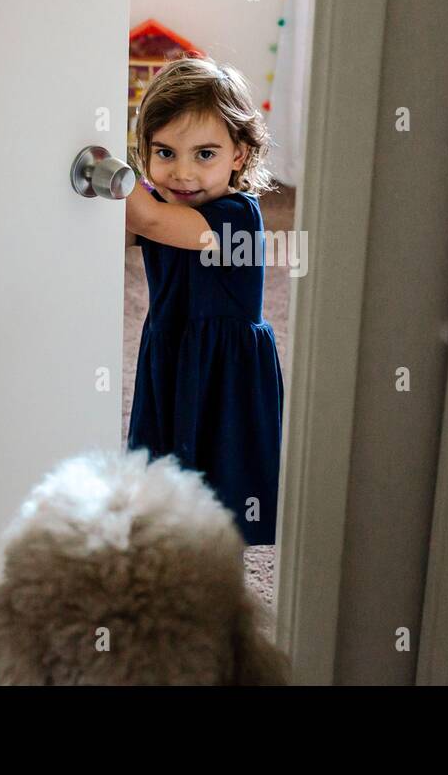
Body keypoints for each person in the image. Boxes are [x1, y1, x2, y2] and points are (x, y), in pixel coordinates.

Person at [124, 56, 283, 547]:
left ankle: (217, 589)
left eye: (205, 154)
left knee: (219, 498)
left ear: (239, 155)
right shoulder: (168, 206)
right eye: (165, 152)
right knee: (165, 480)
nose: (183, 173)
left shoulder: (237, 215)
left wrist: (106, 171)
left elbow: (147, 222)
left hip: (223, 376)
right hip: (173, 355)